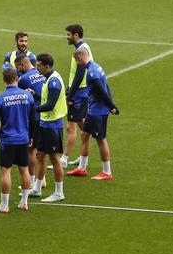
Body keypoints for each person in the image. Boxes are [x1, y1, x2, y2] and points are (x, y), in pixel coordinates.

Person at [67, 46, 120, 180]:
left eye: (77, 61)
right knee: (84, 136)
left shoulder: (91, 72)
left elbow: (102, 91)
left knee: (101, 139)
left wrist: (112, 106)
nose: (77, 65)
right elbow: (106, 87)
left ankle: (107, 172)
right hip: (93, 110)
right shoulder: (96, 67)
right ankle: (82, 168)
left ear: (80, 57)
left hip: (98, 111)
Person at [0, 68, 38, 213]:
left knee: (6, 171)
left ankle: (4, 205)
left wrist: (0, 137)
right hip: (23, 139)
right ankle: (24, 202)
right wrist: (30, 136)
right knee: (24, 170)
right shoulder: (28, 96)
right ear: (17, 78)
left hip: (7, 140)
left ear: (4, 80)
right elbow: (33, 119)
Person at [31, 54, 67, 203]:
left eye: (39, 66)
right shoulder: (49, 78)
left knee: (54, 158)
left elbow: (50, 105)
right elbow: (46, 99)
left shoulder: (54, 82)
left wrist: (33, 109)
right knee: (40, 154)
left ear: (47, 66)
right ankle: (37, 188)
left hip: (52, 125)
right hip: (46, 123)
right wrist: (35, 95)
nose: (36, 68)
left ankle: (59, 192)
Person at [15, 55, 47, 191]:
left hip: (34, 117)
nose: (18, 70)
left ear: (23, 65)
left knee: (30, 150)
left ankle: (32, 182)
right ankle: (42, 179)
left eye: (18, 67)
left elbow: (23, 101)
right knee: (42, 151)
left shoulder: (23, 79)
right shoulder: (43, 74)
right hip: (46, 115)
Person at [63, 24, 93, 168]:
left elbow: (80, 74)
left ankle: (64, 158)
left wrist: (70, 94)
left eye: (68, 35)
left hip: (79, 93)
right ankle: (83, 157)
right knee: (82, 126)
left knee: (71, 126)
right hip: (80, 92)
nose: (67, 37)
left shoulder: (81, 50)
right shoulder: (82, 48)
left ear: (76, 35)